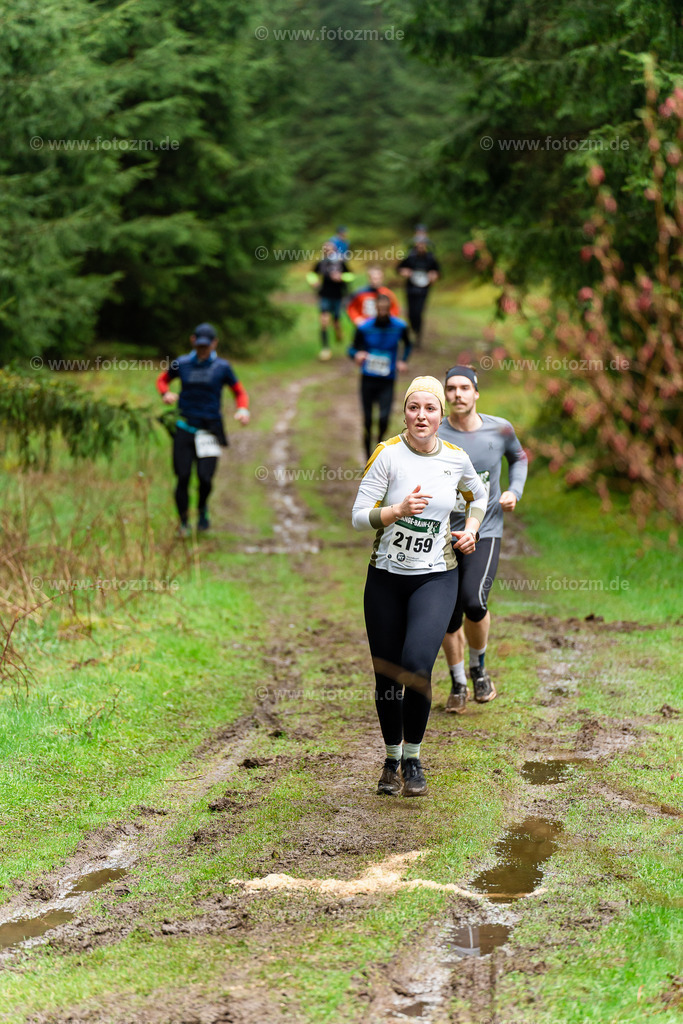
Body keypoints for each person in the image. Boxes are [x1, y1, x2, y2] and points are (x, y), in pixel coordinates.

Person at [352, 376, 488, 797]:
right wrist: (395, 510)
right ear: (405, 413)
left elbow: (478, 495)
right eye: (414, 408)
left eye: (430, 408)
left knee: (415, 665)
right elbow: (359, 516)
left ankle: (413, 759)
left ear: (441, 414)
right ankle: (390, 758)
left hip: (436, 577)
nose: (421, 416)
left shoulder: (455, 458)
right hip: (386, 579)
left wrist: (471, 529)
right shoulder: (388, 456)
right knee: (388, 676)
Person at [438, 364, 528, 710]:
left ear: (476, 393)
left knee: (474, 602)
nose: (457, 394)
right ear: (445, 395)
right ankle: (458, 682)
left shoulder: (500, 429)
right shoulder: (436, 433)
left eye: (464, 388)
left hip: (486, 528)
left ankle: (479, 668)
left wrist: (514, 491)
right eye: (451, 389)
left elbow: (518, 458)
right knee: (447, 613)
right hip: (442, 532)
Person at [156, 323, 250, 537]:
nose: (202, 349)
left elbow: (239, 392)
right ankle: (183, 523)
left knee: (205, 478)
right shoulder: (182, 363)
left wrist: (243, 409)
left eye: (206, 346)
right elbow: (162, 380)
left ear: (214, 344)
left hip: (210, 430)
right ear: (193, 341)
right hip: (184, 427)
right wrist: (165, 394)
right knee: (183, 476)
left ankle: (202, 509)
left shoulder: (222, 368)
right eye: (199, 345)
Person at [349, 293, 411, 459]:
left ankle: (379, 450)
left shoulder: (399, 326)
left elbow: (408, 344)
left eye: (385, 308)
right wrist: (357, 355)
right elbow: (352, 348)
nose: (382, 311)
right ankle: (367, 454)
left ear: (389, 308)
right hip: (368, 379)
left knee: (384, 418)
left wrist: (402, 361)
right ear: (375, 308)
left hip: (387, 378)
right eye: (380, 308)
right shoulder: (364, 327)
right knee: (368, 419)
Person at [308, 240, 352, 361]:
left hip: (338, 296)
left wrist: (341, 277)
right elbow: (311, 274)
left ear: (335, 250)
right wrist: (314, 281)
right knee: (324, 322)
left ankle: (338, 332)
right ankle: (325, 348)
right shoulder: (321, 263)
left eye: (330, 249)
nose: (327, 251)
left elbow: (351, 276)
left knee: (336, 322)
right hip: (324, 296)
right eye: (325, 250)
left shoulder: (341, 263)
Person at [397, 238, 441, 347]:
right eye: (419, 243)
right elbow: (399, 268)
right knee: (411, 312)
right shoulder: (410, 256)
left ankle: (418, 335)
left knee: (419, 312)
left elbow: (438, 272)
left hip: (423, 290)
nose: (421, 246)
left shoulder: (430, 258)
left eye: (423, 244)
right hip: (411, 289)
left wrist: (434, 275)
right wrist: (404, 272)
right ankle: (413, 329)